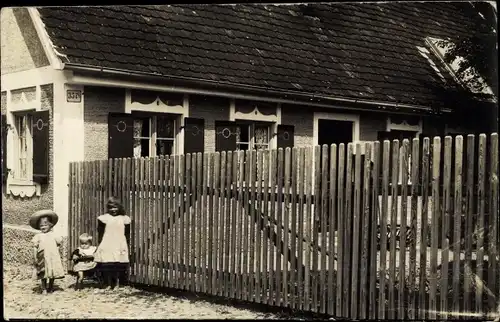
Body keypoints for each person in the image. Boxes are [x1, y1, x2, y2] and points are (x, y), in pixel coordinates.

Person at [94, 197, 131, 290]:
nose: (113, 210)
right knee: (107, 264)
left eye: (115, 207)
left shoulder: (124, 219)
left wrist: (125, 244)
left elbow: (127, 233)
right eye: (111, 207)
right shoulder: (104, 218)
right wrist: (100, 244)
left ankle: (117, 284)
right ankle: (108, 283)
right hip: (108, 243)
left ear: (119, 207)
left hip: (119, 243)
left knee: (117, 265)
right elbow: (100, 233)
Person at [30, 210, 65, 294]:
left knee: (52, 272)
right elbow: (35, 247)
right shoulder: (38, 236)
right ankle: (44, 288)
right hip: (42, 257)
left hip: (52, 257)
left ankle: (51, 287)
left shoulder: (54, 234)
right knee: (43, 273)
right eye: (41, 225)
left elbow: (59, 242)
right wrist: (35, 257)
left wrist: (56, 251)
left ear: (50, 225)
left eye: (45, 225)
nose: (43, 227)